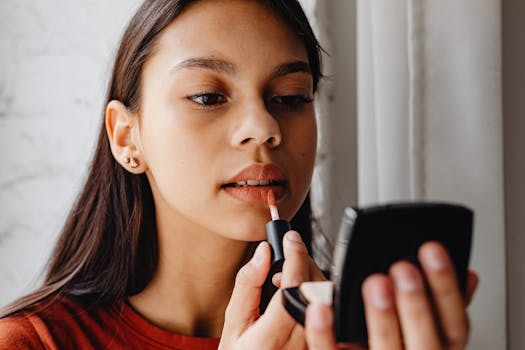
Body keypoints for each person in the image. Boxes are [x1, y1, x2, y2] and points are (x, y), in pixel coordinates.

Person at [0, 0, 478, 349]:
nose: (265, 130)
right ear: (127, 137)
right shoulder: (30, 342)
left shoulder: (369, 329)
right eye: (208, 96)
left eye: (291, 97)